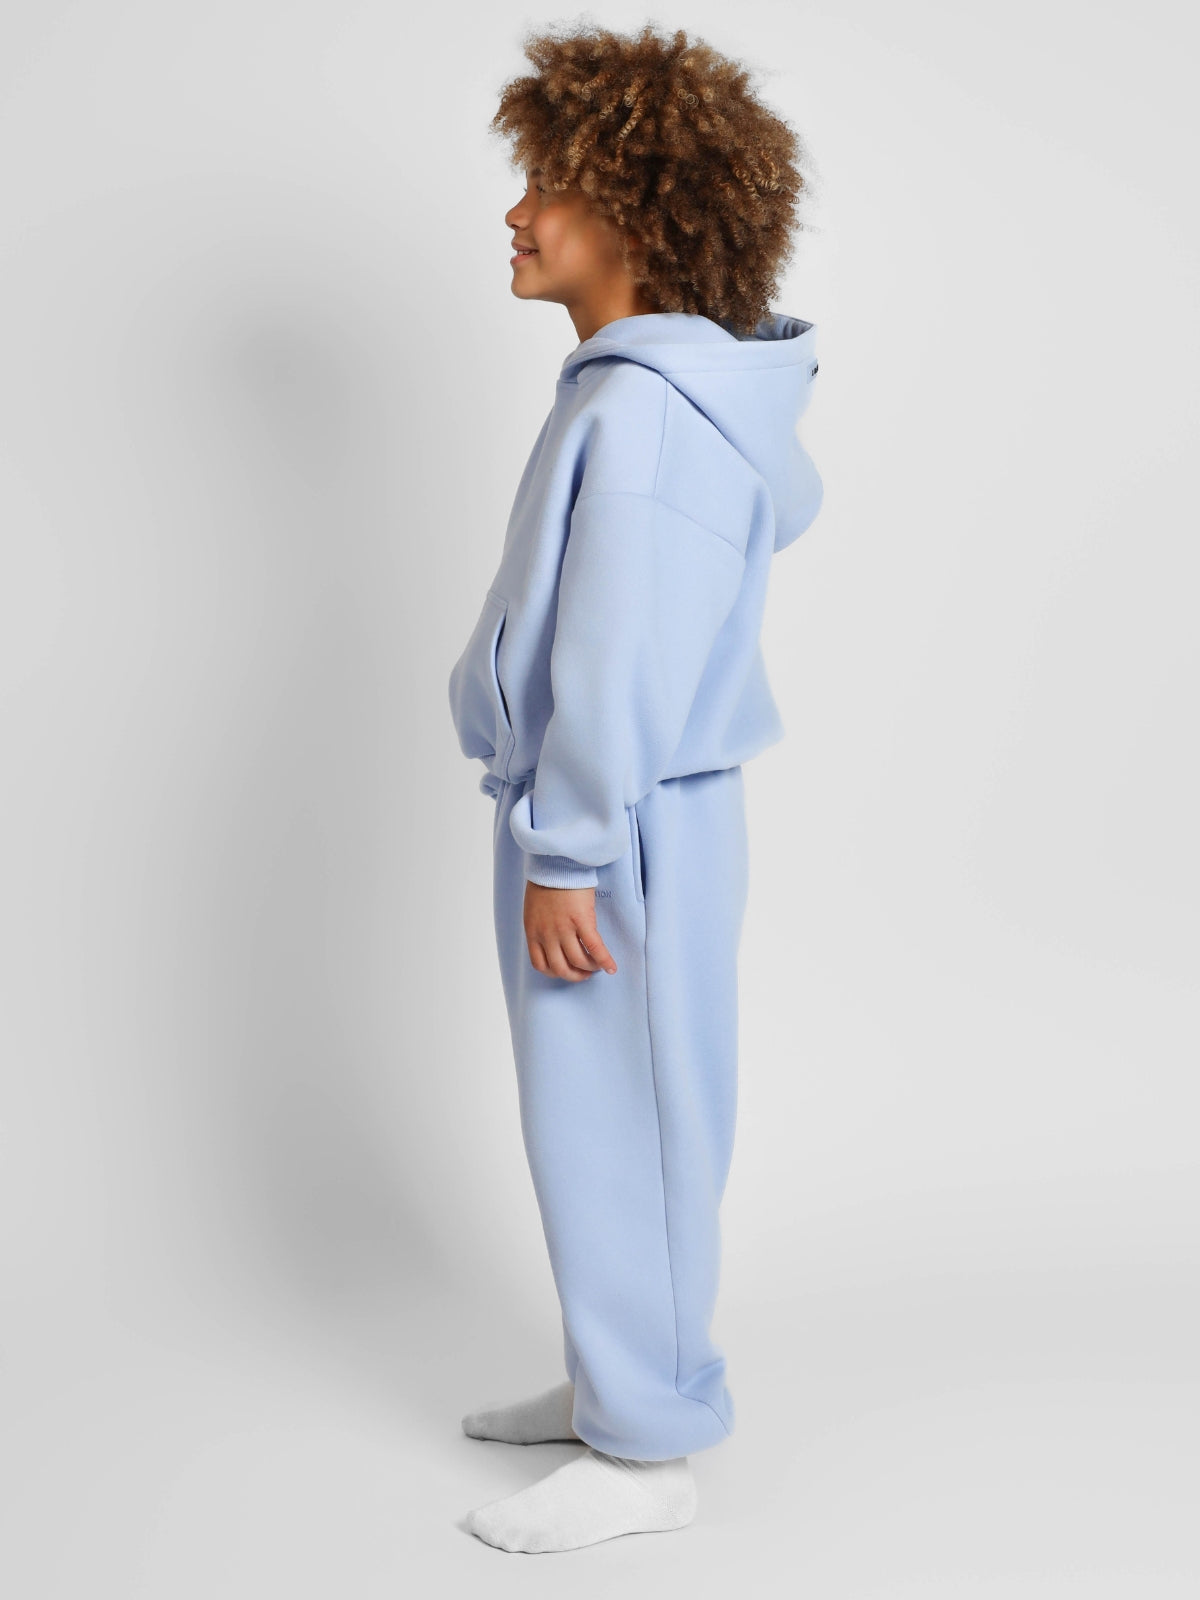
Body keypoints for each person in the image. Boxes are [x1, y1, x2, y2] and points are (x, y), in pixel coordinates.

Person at [447, 22, 825, 1553]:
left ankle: (649, 1444)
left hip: (623, 824)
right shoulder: (625, 392)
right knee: (592, 1115)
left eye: (551, 184)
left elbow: (620, 659)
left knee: (636, 1118)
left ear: (642, 213)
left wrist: (569, 846)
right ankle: (623, 1374)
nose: (518, 211)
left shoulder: (652, 414)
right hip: (605, 813)